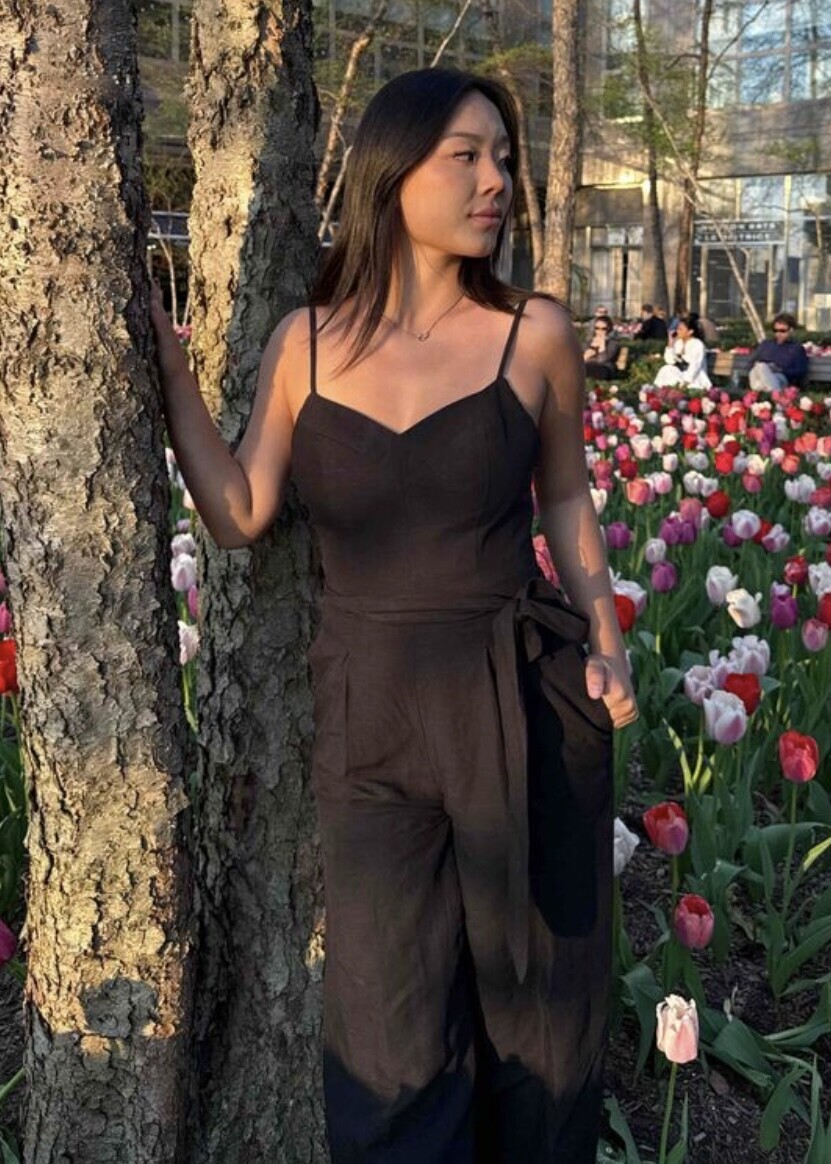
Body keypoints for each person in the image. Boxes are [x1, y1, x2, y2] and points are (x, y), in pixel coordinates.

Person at [151, 67, 637, 1164]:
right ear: (392, 170)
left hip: (517, 700)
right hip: (365, 713)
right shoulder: (306, 344)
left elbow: (565, 498)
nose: (495, 180)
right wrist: (175, 379)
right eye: (465, 156)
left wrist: (608, 646)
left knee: (537, 1014)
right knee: (387, 1019)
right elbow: (240, 513)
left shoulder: (533, 334)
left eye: (503, 157)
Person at [747, 312, 809, 391]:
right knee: (759, 368)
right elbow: (750, 363)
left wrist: (780, 370)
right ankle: (774, 393)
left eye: (782, 331)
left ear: (791, 330)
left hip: (781, 378)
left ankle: (772, 392)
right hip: (760, 374)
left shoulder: (796, 348)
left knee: (762, 369)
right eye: (775, 330)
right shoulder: (765, 345)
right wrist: (766, 367)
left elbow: (800, 371)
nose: (778, 333)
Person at [653, 312, 712, 388]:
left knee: (680, 382)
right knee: (666, 369)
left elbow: (695, 366)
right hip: (681, 373)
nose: (678, 331)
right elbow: (670, 361)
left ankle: (677, 388)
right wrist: (670, 344)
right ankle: (661, 391)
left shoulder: (697, 344)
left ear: (690, 331)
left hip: (695, 376)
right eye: (677, 328)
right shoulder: (679, 343)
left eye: (681, 329)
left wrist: (686, 382)